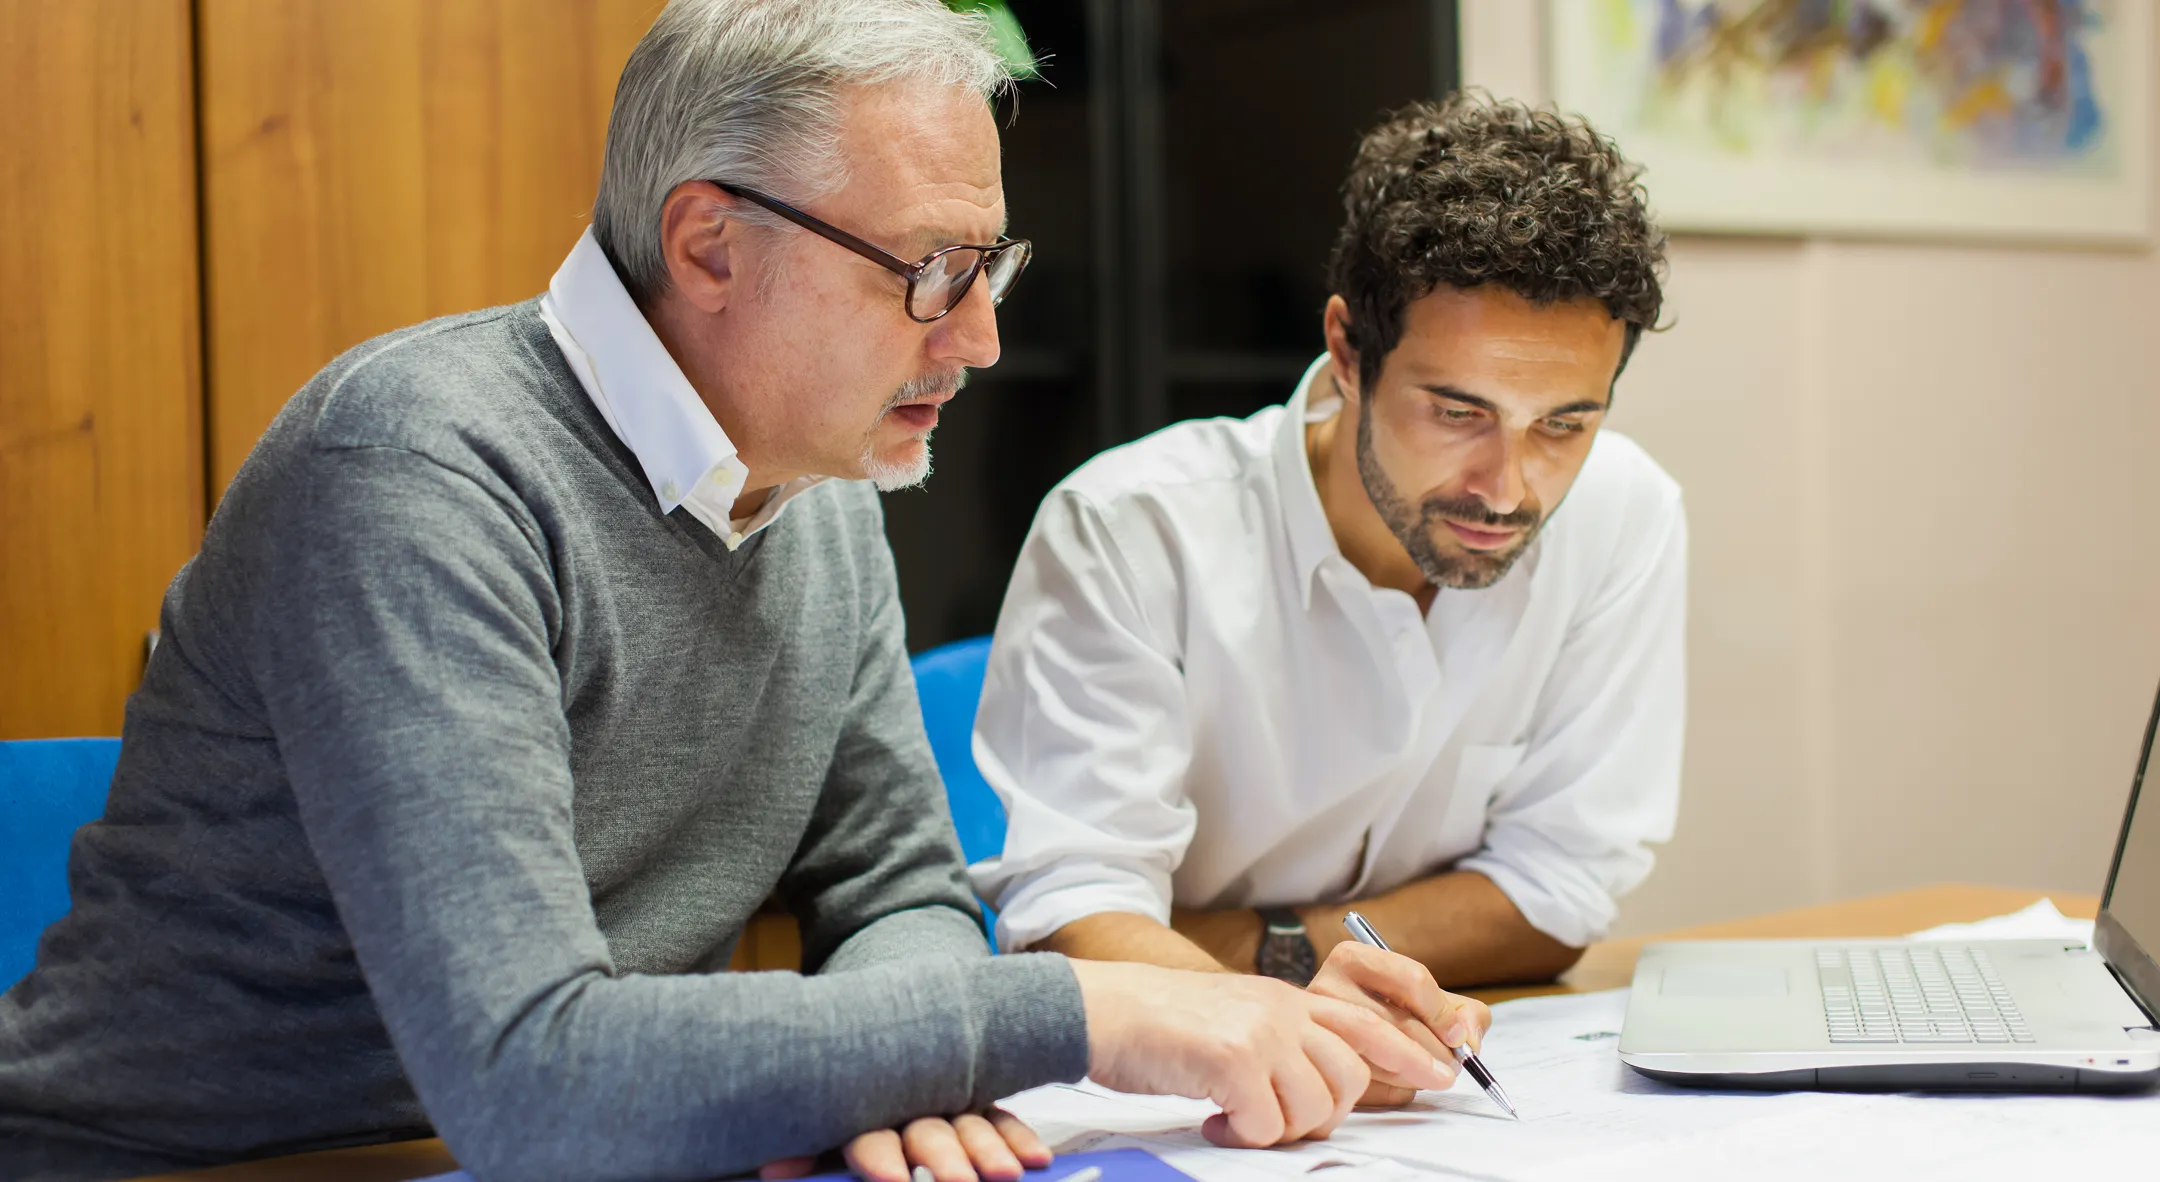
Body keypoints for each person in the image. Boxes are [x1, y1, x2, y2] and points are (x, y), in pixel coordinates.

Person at [0, 5, 1486, 1181]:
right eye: (929, 269)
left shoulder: (816, 486)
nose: (974, 339)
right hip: (220, 1164)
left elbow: (896, 885)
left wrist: (897, 1063)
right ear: (710, 242)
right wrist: (1095, 1011)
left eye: (991, 266)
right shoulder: (414, 471)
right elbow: (532, 1072)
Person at [971, 94, 1684, 1001]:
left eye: (1563, 425)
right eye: (1458, 413)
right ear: (1348, 351)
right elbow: (1073, 920)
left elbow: (1559, 892)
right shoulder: (1131, 530)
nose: (1507, 488)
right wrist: (1303, 1022)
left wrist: (1269, 952)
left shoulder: (1625, 514)